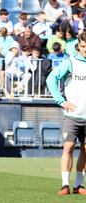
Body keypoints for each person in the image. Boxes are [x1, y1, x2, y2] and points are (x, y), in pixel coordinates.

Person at [46, 31, 86, 195]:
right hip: (72, 117)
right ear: (78, 45)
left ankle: (78, 186)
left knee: (85, 150)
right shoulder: (70, 62)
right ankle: (65, 185)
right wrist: (61, 101)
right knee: (68, 147)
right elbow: (51, 79)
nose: (85, 50)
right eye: (83, 47)